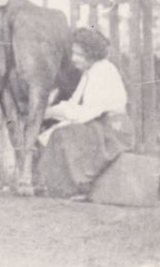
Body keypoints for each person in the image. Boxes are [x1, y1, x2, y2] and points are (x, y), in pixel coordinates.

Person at [35, 27, 134, 197]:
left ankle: (77, 187)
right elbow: (74, 103)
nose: (74, 59)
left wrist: (49, 112)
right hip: (100, 125)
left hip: (114, 131)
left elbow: (86, 113)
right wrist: (49, 113)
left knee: (65, 136)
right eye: (73, 53)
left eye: (79, 54)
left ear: (92, 54)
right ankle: (58, 186)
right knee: (55, 134)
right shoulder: (90, 71)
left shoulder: (103, 71)